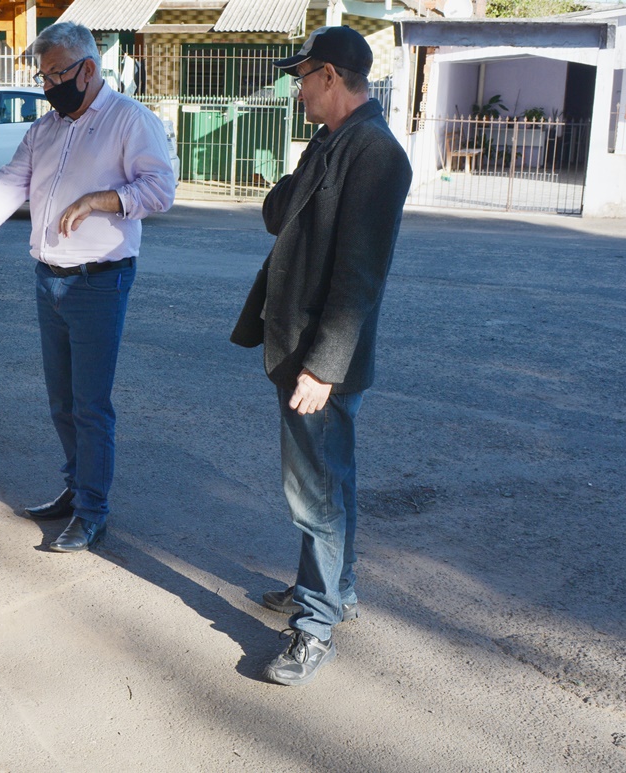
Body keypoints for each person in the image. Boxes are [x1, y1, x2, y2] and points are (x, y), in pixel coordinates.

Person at [0, 22, 176, 553]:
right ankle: (76, 489)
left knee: (90, 405)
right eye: (43, 76)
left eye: (55, 74)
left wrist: (99, 200)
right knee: (62, 403)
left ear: (88, 69)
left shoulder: (130, 120)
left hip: (100, 280)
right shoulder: (46, 128)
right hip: (49, 278)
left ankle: (93, 512)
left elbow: (160, 189)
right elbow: (12, 181)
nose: (48, 85)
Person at [230, 26, 412, 685]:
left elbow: (360, 277)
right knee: (332, 479)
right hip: (298, 344)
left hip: (320, 359)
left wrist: (323, 368)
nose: (296, 90)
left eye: (302, 77)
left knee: (316, 494)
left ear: (329, 76)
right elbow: (276, 214)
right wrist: (308, 156)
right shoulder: (332, 141)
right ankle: (338, 588)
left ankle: (315, 625)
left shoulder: (378, 154)